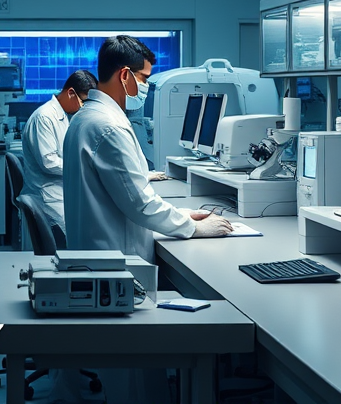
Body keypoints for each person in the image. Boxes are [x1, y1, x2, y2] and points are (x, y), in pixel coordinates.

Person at [64, 35, 232, 263]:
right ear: (124, 75)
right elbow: (140, 205)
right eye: (144, 79)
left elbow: (127, 194)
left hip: (95, 252)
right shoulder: (108, 126)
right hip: (116, 264)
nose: (145, 87)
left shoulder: (84, 117)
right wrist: (193, 227)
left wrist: (181, 215)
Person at [20, 70, 97, 236]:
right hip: (48, 196)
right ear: (70, 93)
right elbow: (49, 162)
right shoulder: (44, 117)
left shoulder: (64, 116)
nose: (83, 108)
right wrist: (84, 166)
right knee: (83, 235)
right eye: (83, 102)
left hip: (60, 190)